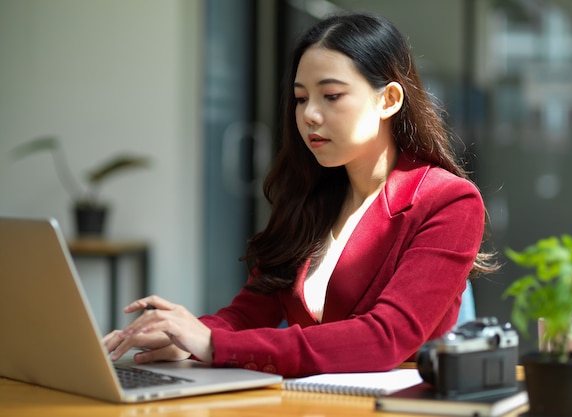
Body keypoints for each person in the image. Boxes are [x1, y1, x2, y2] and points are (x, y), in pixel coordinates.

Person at [104, 12, 498, 377]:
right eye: (301, 98)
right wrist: (183, 336)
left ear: (388, 100)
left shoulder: (448, 202)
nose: (309, 114)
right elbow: (247, 312)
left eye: (331, 96)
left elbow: (386, 338)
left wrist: (214, 344)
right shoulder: (310, 198)